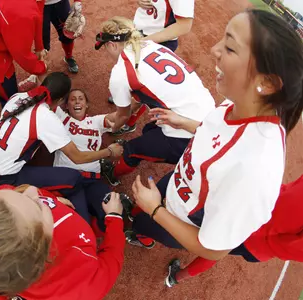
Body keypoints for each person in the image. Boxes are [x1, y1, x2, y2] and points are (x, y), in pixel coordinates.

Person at [127, 9, 303, 276]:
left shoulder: (255, 169)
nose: (214, 49)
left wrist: (156, 210)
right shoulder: (242, 101)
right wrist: (184, 121)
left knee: (142, 223)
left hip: (179, 216)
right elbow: (222, 137)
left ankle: (144, 233)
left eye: (230, 48)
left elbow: (213, 250)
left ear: (266, 83)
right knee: (141, 215)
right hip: (180, 186)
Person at [0, 72, 123, 221]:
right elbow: (77, 158)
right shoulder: (48, 117)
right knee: (73, 178)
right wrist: (109, 151)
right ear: (62, 101)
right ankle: (75, 217)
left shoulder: (17, 97)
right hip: (7, 176)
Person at [94, 16, 215, 185]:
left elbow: (122, 117)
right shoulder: (151, 45)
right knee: (149, 130)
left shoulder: (121, 71)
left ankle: (112, 175)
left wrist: (113, 127)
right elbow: (140, 96)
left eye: (106, 47)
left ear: (112, 44)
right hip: (208, 115)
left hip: (190, 134)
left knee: (131, 150)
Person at [0, 184, 126, 300]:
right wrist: (114, 217)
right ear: (42, 248)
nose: (32, 190)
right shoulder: (85, 285)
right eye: (36, 205)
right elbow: (113, 257)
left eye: (16, 194)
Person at [164, 174, 303, 287]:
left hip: (256, 225)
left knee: (211, 240)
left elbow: (283, 212)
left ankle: (156, 222)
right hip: (261, 243)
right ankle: (176, 277)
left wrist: (246, 226)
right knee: (216, 249)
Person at [53, 89, 132, 232]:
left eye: (81, 98)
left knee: (115, 214)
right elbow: (50, 95)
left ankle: (95, 226)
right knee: (80, 225)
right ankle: (88, 223)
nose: (77, 101)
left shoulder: (95, 121)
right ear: (66, 105)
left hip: (93, 180)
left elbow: (120, 114)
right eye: (72, 99)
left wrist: (136, 100)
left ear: (87, 104)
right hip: (69, 179)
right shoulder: (62, 117)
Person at [41, 0, 82, 73]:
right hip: (39, 5)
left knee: (68, 33)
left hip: (61, 3)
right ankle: (39, 64)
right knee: (41, 38)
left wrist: (77, 1)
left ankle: (68, 57)